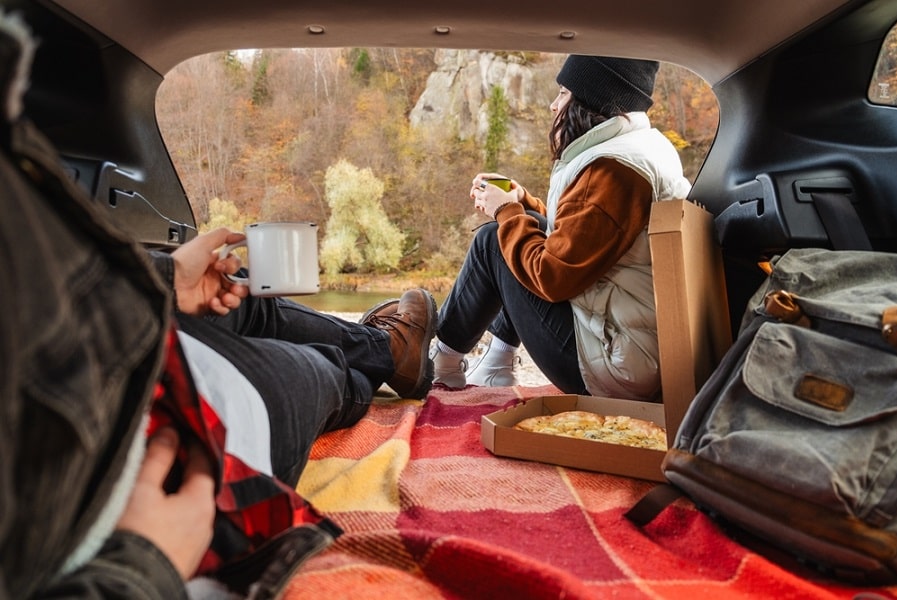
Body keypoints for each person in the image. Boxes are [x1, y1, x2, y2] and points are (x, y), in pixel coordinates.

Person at [0, 12, 435, 599]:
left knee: (248, 293)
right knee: (322, 372)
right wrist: (140, 566)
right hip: (165, 440)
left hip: (120, 346)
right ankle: (364, 370)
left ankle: (388, 349)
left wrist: (162, 280)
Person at [429, 54, 692, 399]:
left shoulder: (613, 171)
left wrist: (506, 211)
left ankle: (441, 365)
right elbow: (580, 235)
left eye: (563, 93)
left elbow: (553, 276)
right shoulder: (639, 149)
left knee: (495, 240)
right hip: (638, 351)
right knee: (527, 226)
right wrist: (523, 201)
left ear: (592, 99)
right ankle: (495, 365)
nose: (554, 106)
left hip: (616, 368)